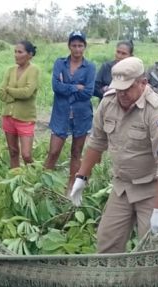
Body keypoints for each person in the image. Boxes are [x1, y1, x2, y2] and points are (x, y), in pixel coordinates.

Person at [70, 57, 158, 254]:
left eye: (127, 89)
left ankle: (155, 285)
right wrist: (82, 176)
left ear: (143, 83)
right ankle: (109, 284)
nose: (122, 94)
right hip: (122, 186)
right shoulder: (108, 103)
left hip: (152, 189)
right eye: (118, 89)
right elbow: (97, 142)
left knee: (152, 249)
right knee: (107, 242)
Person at [46, 30, 95, 183]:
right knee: (53, 152)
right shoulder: (60, 63)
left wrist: (66, 86)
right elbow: (55, 86)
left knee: (76, 152)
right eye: (74, 45)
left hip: (81, 116)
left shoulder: (90, 67)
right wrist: (75, 87)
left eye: (80, 45)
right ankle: (43, 185)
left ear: (84, 47)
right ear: (69, 46)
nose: (77, 49)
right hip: (61, 114)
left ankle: (71, 188)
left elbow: (88, 92)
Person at [0, 40, 40, 168]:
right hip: (8, 117)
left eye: (20, 52)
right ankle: (15, 177)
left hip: (25, 118)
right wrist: (16, 95)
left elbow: (27, 93)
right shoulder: (10, 70)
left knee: (26, 154)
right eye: (15, 52)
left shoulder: (34, 70)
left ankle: (33, 174)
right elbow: (1, 94)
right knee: (13, 152)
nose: (16, 55)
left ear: (30, 54)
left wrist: (10, 90)